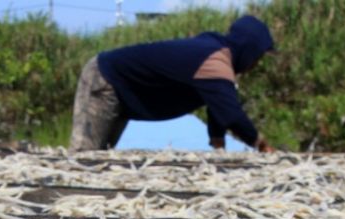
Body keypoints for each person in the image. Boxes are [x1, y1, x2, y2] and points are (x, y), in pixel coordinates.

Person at [70, 15, 275, 153]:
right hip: (105, 78)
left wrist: (217, 145)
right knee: (84, 156)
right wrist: (262, 146)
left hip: (124, 90)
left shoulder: (216, 57)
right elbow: (232, 116)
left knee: (102, 154)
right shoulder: (214, 60)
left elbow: (218, 108)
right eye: (257, 57)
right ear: (248, 49)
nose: (255, 64)